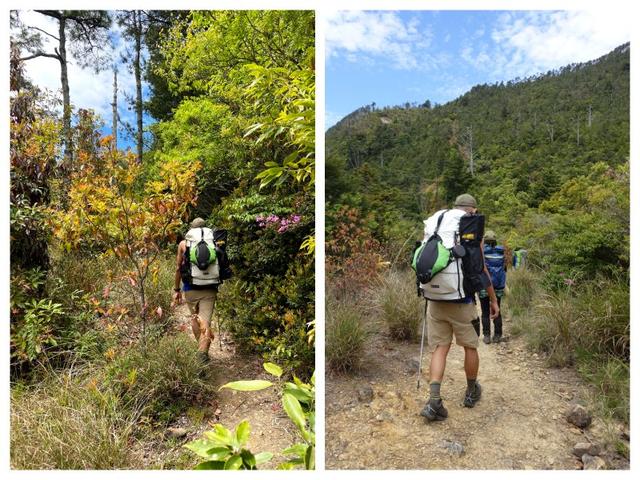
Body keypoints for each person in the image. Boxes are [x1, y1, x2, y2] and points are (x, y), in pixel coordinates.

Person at [419, 193, 499, 422]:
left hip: (435, 300)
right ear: (472, 210)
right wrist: (492, 299)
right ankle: (471, 392)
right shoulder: (469, 228)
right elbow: (480, 268)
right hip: (462, 301)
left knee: (439, 349)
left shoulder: (438, 223)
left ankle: (434, 401)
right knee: (470, 347)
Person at [174, 217, 220, 364]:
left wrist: (176, 289)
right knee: (205, 321)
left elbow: (178, 269)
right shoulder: (213, 241)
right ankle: (202, 352)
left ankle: (201, 352)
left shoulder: (183, 244)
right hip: (210, 288)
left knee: (195, 317)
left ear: (191, 229)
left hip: (190, 288)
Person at [479, 230, 507, 344]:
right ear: (495, 240)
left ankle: (486, 336)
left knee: (485, 311)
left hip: (484, 286)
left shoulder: (481, 252)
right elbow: (505, 269)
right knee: (497, 309)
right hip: (498, 286)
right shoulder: (501, 252)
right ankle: (498, 335)